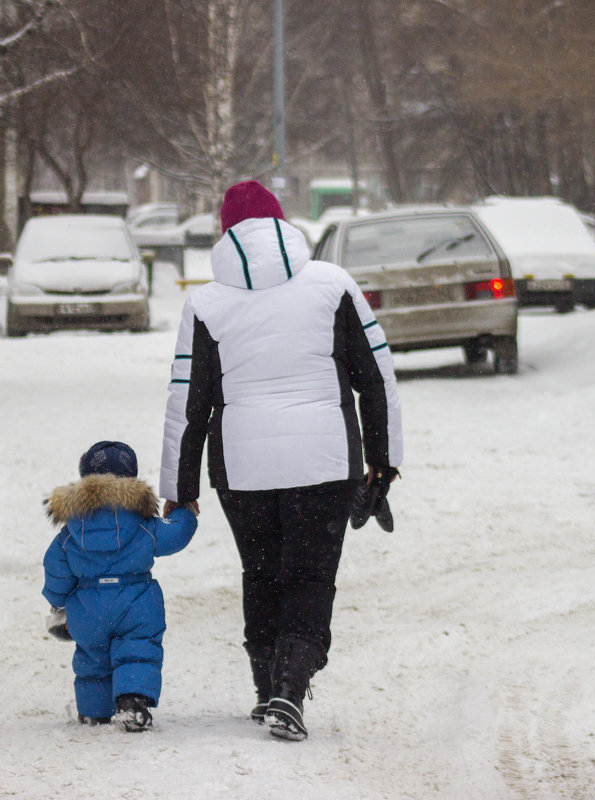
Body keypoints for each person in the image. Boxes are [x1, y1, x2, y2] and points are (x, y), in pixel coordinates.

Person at [159, 180, 403, 741]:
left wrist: (181, 484)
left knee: (262, 571)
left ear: (225, 233)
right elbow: (376, 379)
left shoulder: (205, 303)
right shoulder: (333, 284)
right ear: (282, 224)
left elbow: (187, 403)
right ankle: (289, 692)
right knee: (311, 574)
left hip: (242, 469)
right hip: (323, 459)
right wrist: (384, 461)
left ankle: (268, 684)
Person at [42, 440, 198, 731]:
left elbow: (55, 567)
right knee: (137, 651)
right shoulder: (143, 525)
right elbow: (176, 534)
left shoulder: (70, 531)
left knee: (92, 659)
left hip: (87, 607)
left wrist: (58, 601)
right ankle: (132, 702)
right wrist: (184, 510)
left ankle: (94, 712)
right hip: (135, 602)